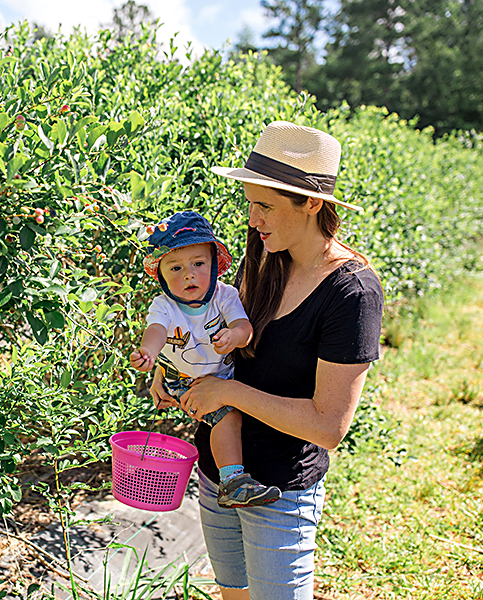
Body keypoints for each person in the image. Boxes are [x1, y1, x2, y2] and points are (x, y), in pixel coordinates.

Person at [154, 121, 384, 599]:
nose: (253, 219)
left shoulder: (350, 293)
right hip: (220, 475)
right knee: (233, 592)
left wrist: (228, 392)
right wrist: (174, 367)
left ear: (313, 204)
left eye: (266, 206)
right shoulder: (263, 253)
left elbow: (329, 426)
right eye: (251, 203)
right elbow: (210, 326)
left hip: (281, 489)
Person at [129, 211, 281, 508]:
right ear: (161, 276)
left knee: (237, 410)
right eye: (175, 268)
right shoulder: (164, 305)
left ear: (214, 266)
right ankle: (232, 481)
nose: (188, 274)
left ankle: (231, 478)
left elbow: (244, 327)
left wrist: (234, 336)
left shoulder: (224, 296)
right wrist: (148, 352)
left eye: (198, 264)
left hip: (221, 377)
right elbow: (156, 331)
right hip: (182, 379)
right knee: (228, 415)